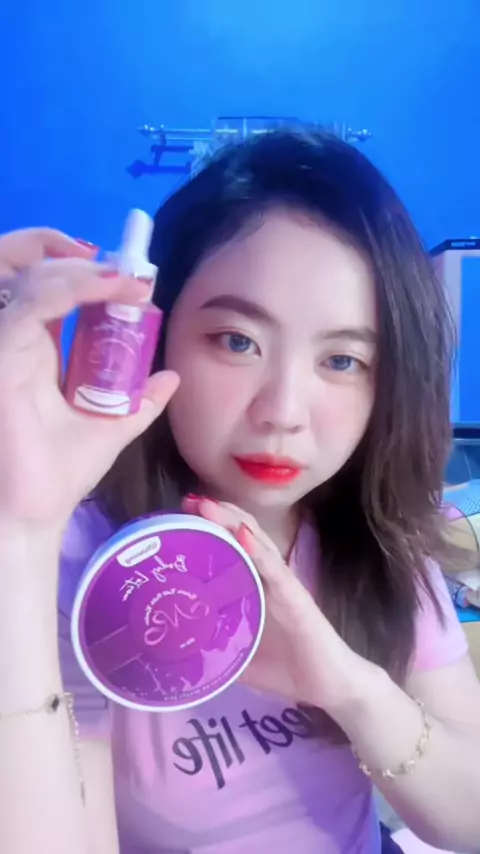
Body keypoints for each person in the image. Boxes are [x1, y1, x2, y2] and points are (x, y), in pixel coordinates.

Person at [0, 129, 479, 854]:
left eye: (342, 360)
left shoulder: (381, 541)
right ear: (159, 334)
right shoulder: (88, 564)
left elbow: (470, 820)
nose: (283, 411)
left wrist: (349, 689)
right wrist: (18, 536)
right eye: (237, 341)